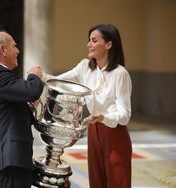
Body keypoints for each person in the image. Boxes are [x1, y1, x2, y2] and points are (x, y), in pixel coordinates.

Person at [43, 24, 132, 188]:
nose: (88, 44)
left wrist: (104, 117)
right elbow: (58, 82)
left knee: (117, 182)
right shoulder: (85, 67)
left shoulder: (120, 74)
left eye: (94, 40)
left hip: (115, 134)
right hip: (93, 131)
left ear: (109, 44)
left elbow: (125, 115)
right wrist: (39, 75)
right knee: (96, 182)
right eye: (89, 40)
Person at [0, 31, 44, 188]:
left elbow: (6, 111)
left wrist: (27, 108)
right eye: (14, 46)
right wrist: (34, 76)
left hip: (8, 157)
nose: (18, 51)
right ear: (3, 50)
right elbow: (31, 91)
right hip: (8, 158)